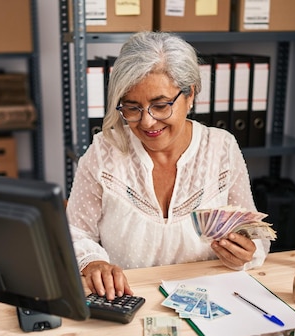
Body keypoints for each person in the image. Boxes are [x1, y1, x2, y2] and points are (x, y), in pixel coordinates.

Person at [66, 31, 270, 300]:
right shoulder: (103, 151)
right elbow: (75, 232)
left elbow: (258, 237)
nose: (148, 122)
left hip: (209, 297)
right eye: (132, 108)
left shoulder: (221, 148)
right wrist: (93, 262)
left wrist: (247, 252)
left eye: (160, 105)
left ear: (190, 95)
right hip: (127, 299)